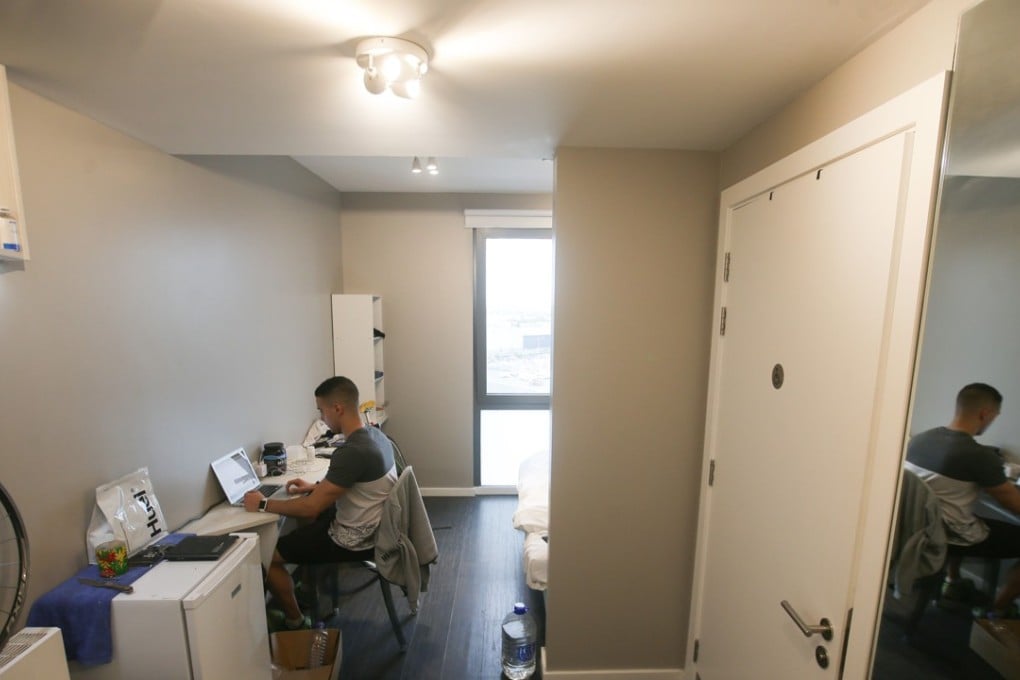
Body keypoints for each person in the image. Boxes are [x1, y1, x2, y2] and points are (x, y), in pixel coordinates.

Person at [243, 376, 397, 629]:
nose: (322, 418)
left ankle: (296, 622)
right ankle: (306, 589)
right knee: (306, 519)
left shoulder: (352, 452)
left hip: (355, 538)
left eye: (321, 411)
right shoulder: (374, 435)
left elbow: (310, 506)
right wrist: (316, 487)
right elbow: (359, 484)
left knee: (266, 554)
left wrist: (262, 504)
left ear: (337, 408)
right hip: (376, 526)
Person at [905, 382, 1020, 617]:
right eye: (994, 417)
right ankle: (997, 612)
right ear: (985, 414)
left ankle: (952, 582)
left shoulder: (919, 441)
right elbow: (1014, 504)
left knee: (966, 513)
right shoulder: (978, 456)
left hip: (917, 525)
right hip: (949, 534)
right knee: (972, 521)